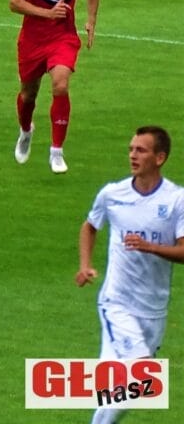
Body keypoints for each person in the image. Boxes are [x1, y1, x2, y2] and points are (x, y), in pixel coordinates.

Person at [76, 127, 184, 424]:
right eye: (131, 149)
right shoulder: (113, 194)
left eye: (141, 150)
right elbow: (90, 226)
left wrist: (150, 247)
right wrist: (85, 265)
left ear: (160, 157)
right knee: (141, 371)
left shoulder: (177, 200)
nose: (133, 155)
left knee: (122, 391)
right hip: (117, 303)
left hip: (154, 310)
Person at [12, 0, 99, 174]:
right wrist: (47, 13)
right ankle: (26, 131)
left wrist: (91, 18)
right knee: (28, 94)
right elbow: (14, 3)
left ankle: (56, 151)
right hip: (32, 39)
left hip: (63, 37)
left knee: (60, 84)